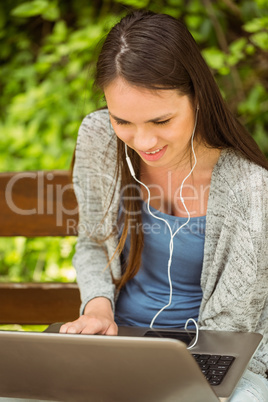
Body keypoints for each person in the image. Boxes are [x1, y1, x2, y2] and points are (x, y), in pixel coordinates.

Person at [59, 10, 268, 401]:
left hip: (213, 360)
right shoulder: (99, 139)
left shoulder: (250, 187)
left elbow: (230, 329)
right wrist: (99, 309)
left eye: (160, 120)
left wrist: (156, 379)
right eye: (123, 121)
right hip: (116, 346)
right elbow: (92, 242)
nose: (142, 141)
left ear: (198, 97)